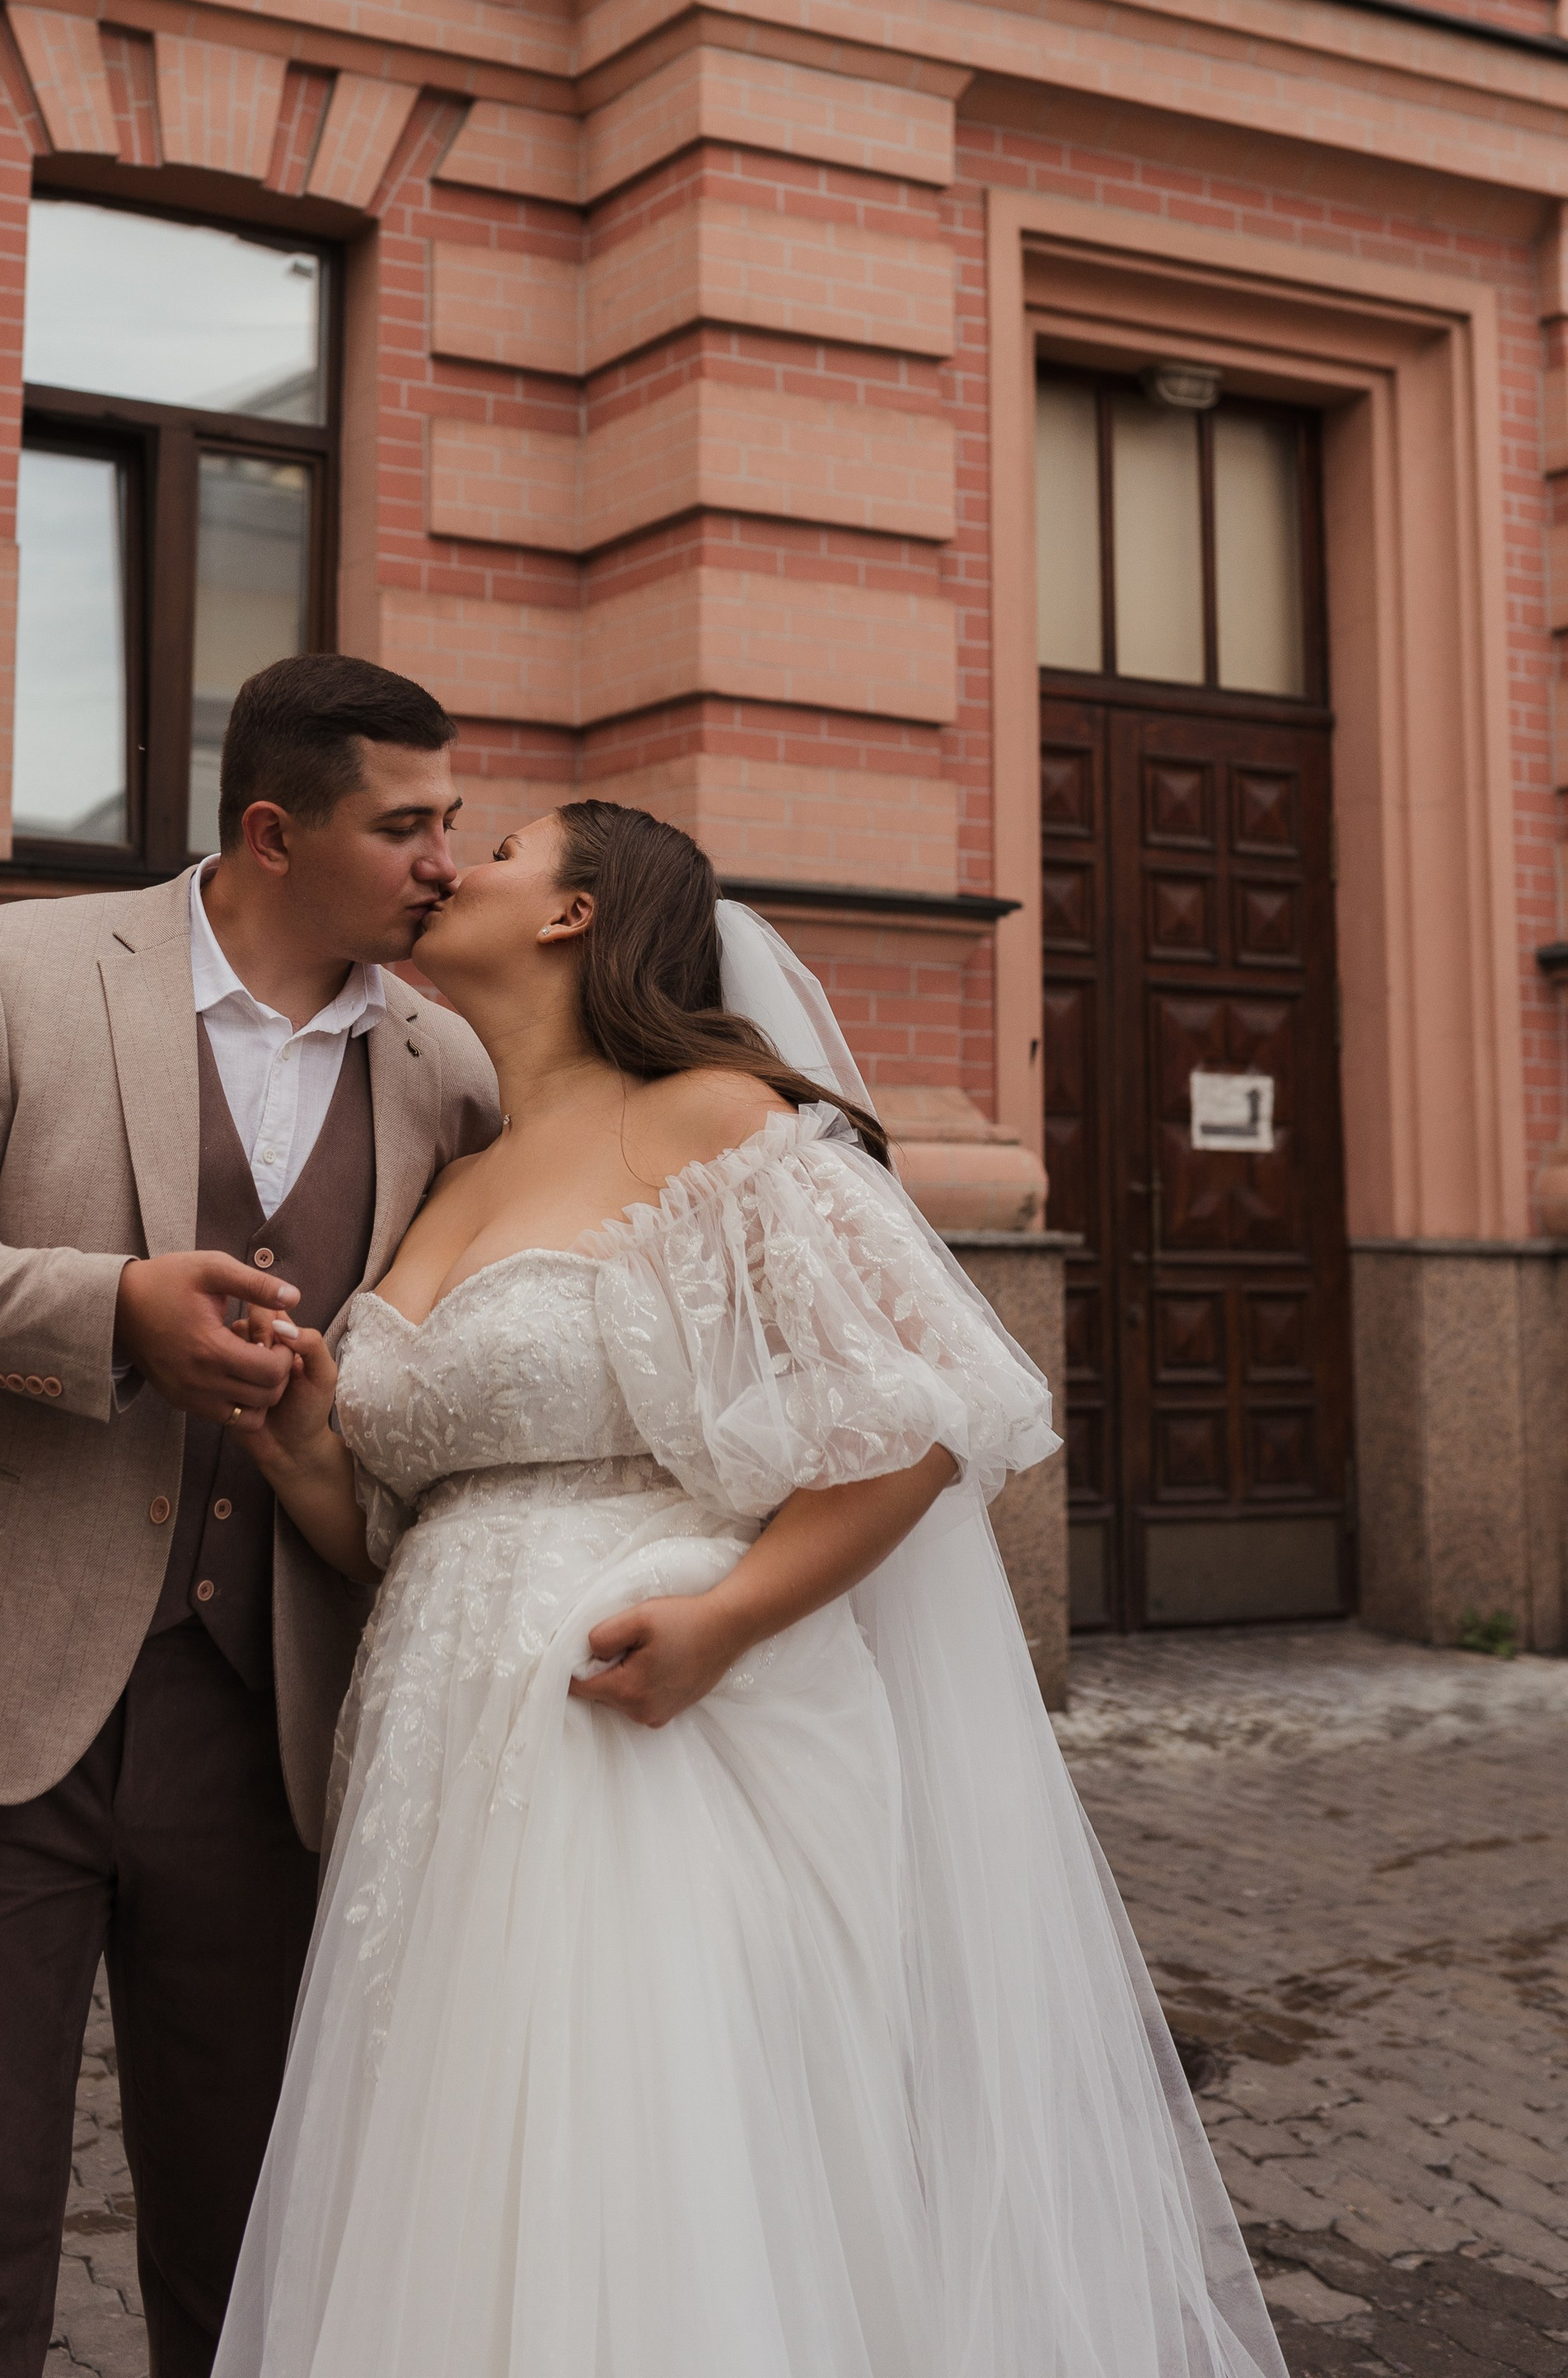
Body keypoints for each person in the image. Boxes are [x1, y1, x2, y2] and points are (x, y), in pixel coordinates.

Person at [213, 798, 1288, 2378]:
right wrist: (307, 1437)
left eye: (500, 850)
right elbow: (377, 1530)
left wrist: (724, 1621)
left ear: (577, 914)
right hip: (438, 1764)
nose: (456, 866)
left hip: (649, 1743)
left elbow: (932, 1406)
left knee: (642, 2172)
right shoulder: (459, 1175)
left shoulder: (712, 1117)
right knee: (456, 2173)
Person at [0, 654, 500, 2378]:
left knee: (251, 2263)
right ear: (269, 830)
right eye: (404, 824)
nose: (444, 861)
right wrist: (104, 1309)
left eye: (454, 822)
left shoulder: (447, 1065)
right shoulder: (17, 970)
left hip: (276, 1742)